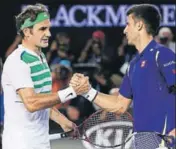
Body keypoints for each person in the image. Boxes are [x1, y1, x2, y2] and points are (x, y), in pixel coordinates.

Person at [70, 4, 176, 146]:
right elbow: (119, 105)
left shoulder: (162, 54)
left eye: (128, 24)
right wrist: (87, 91)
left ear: (139, 26)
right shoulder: (133, 64)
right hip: (141, 139)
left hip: (163, 139)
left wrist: (174, 129)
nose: (125, 30)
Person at [1, 4, 89, 149]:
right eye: (42, 29)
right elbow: (32, 103)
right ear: (27, 32)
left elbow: (43, 100)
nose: (48, 34)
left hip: (40, 142)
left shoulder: (40, 57)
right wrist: (72, 91)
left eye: (48, 28)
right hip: (20, 144)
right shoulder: (18, 61)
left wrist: (63, 121)